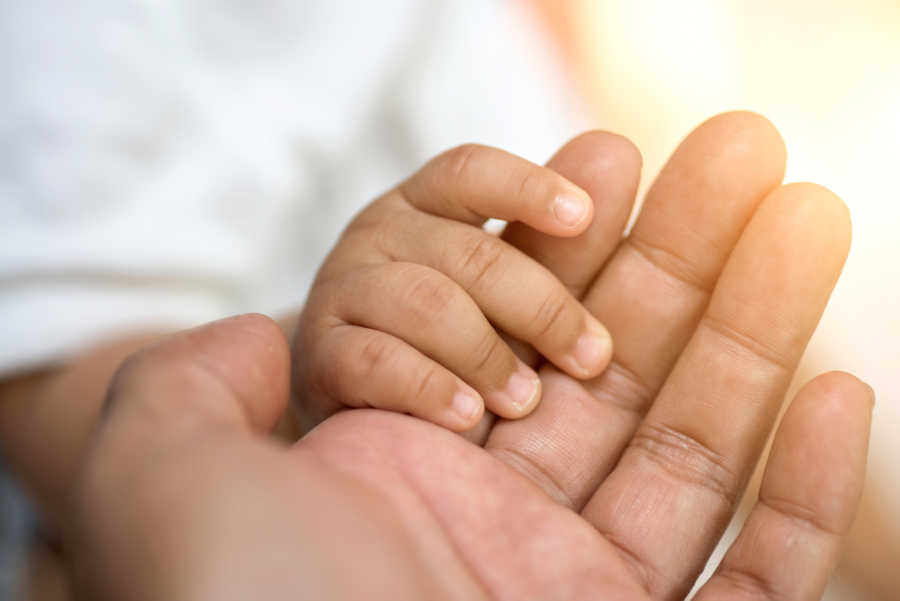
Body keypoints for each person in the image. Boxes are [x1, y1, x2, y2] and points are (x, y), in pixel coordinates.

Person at [69, 114, 872, 599]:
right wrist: (304, 381)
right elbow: (52, 369)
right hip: (402, 472)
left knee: (774, 384)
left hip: (591, 397)